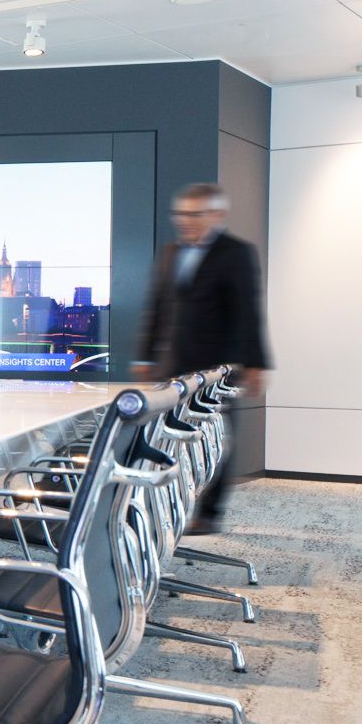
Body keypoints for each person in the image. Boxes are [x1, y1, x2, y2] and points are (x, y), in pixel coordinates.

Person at [134, 182, 270, 535]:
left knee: (216, 439)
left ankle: (208, 513)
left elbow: (249, 311)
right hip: (175, 364)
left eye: (195, 214)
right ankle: (170, 503)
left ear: (217, 215)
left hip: (219, 366)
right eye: (180, 214)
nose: (185, 221)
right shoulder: (170, 252)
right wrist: (145, 356)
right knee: (170, 437)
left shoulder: (236, 253)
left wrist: (257, 362)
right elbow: (158, 306)